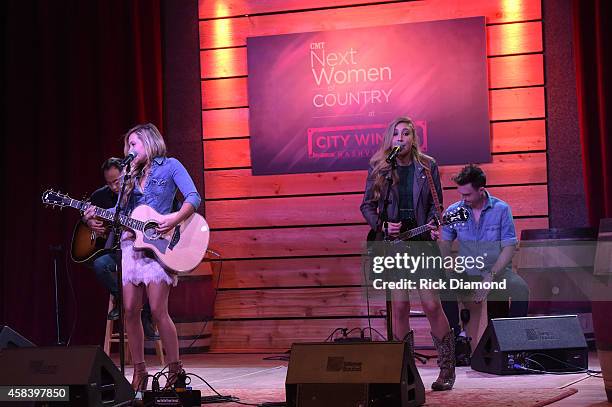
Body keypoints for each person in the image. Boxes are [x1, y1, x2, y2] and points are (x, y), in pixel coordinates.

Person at [360, 117, 455, 391]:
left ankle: (447, 368)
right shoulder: (380, 167)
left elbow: (438, 206)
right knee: (399, 306)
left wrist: (436, 224)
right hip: (393, 245)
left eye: (406, 133)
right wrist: (382, 225)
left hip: (421, 241)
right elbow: (367, 206)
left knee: (431, 305)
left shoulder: (428, 165)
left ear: (413, 138)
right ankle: (406, 373)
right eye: (396, 134)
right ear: (389, 139)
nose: (400, 138)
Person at [118, 123, 201, 393]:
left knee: (157, 310)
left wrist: (174, 218)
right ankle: (139, 371)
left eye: (134, 143)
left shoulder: (171, 166)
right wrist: (92, 212)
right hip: (132, 245)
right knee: (130, 309)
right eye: (128, 145)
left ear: (150, 142)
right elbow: (121, 211)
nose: (130, 149)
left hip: (161, 245)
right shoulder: (128, 175)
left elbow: (193, 197)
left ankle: (176, 371)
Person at [439, 164, 529, 350]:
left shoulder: (501, 209)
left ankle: (512, 341)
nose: (463, 199)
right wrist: (448, 266)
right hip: (468, 271)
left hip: (496, 271)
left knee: (521, 288)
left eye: (467, 195)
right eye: (461, 194)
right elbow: (444, 244)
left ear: (481, 190)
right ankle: (456, 342)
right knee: (444, 282)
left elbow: (509, 247)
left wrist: (491, 276)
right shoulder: (453, 211)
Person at [82, 158, 158, 340]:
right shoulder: (101, 195)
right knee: (100, 264)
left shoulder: (141, 190)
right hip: (118, 251)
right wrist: (89, 221)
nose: (114, 187)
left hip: (145, 252)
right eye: (109, 183)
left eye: (117, 181)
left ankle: (144, 315)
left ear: (125, 174)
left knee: (155, 273)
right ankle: (123, 299)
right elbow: (86, 211)